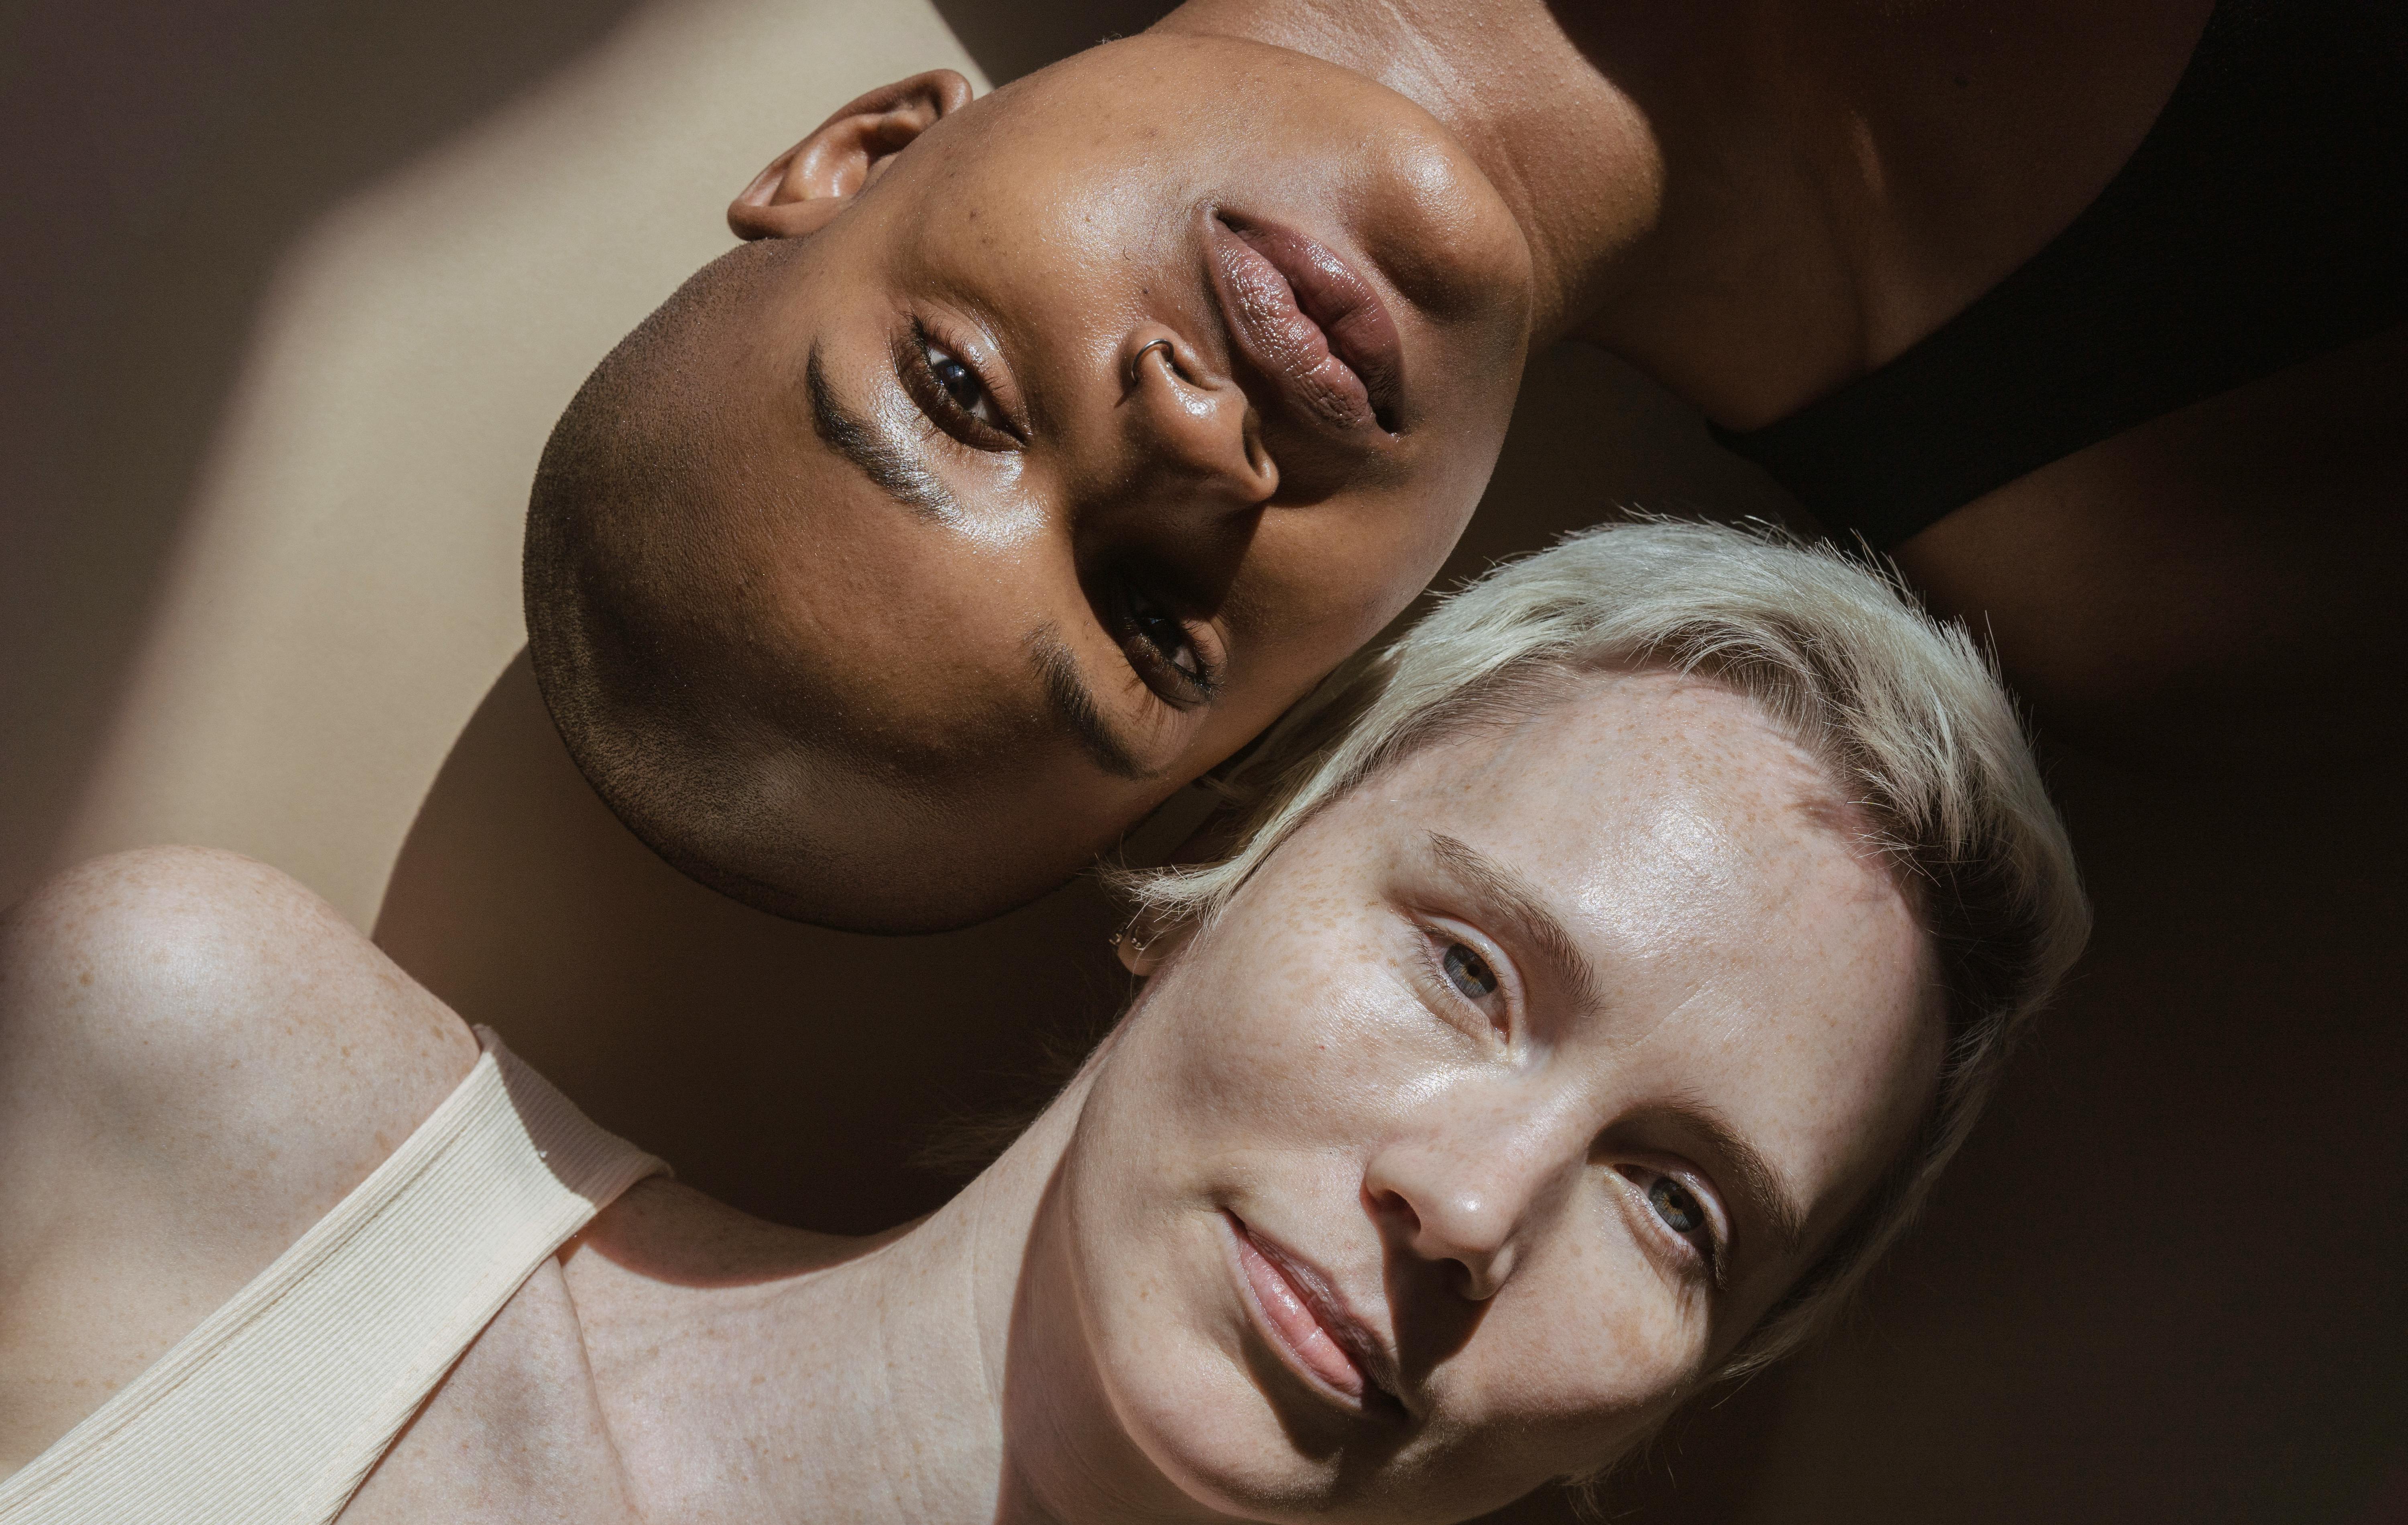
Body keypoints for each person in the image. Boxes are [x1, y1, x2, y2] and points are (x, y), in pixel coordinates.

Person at [0, 524, 2084, 1525]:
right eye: (1467, 971)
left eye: (1675, 1203)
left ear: (1691, 1387)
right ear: (1218, 859)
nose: (1468, 1207)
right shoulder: (195, 1100)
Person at [521, 0, 2403, 934]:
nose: (1193, 443)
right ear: (1305, 711)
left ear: (862, 151)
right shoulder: (2196, 554)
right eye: (1155, 627)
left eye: (961, 391)